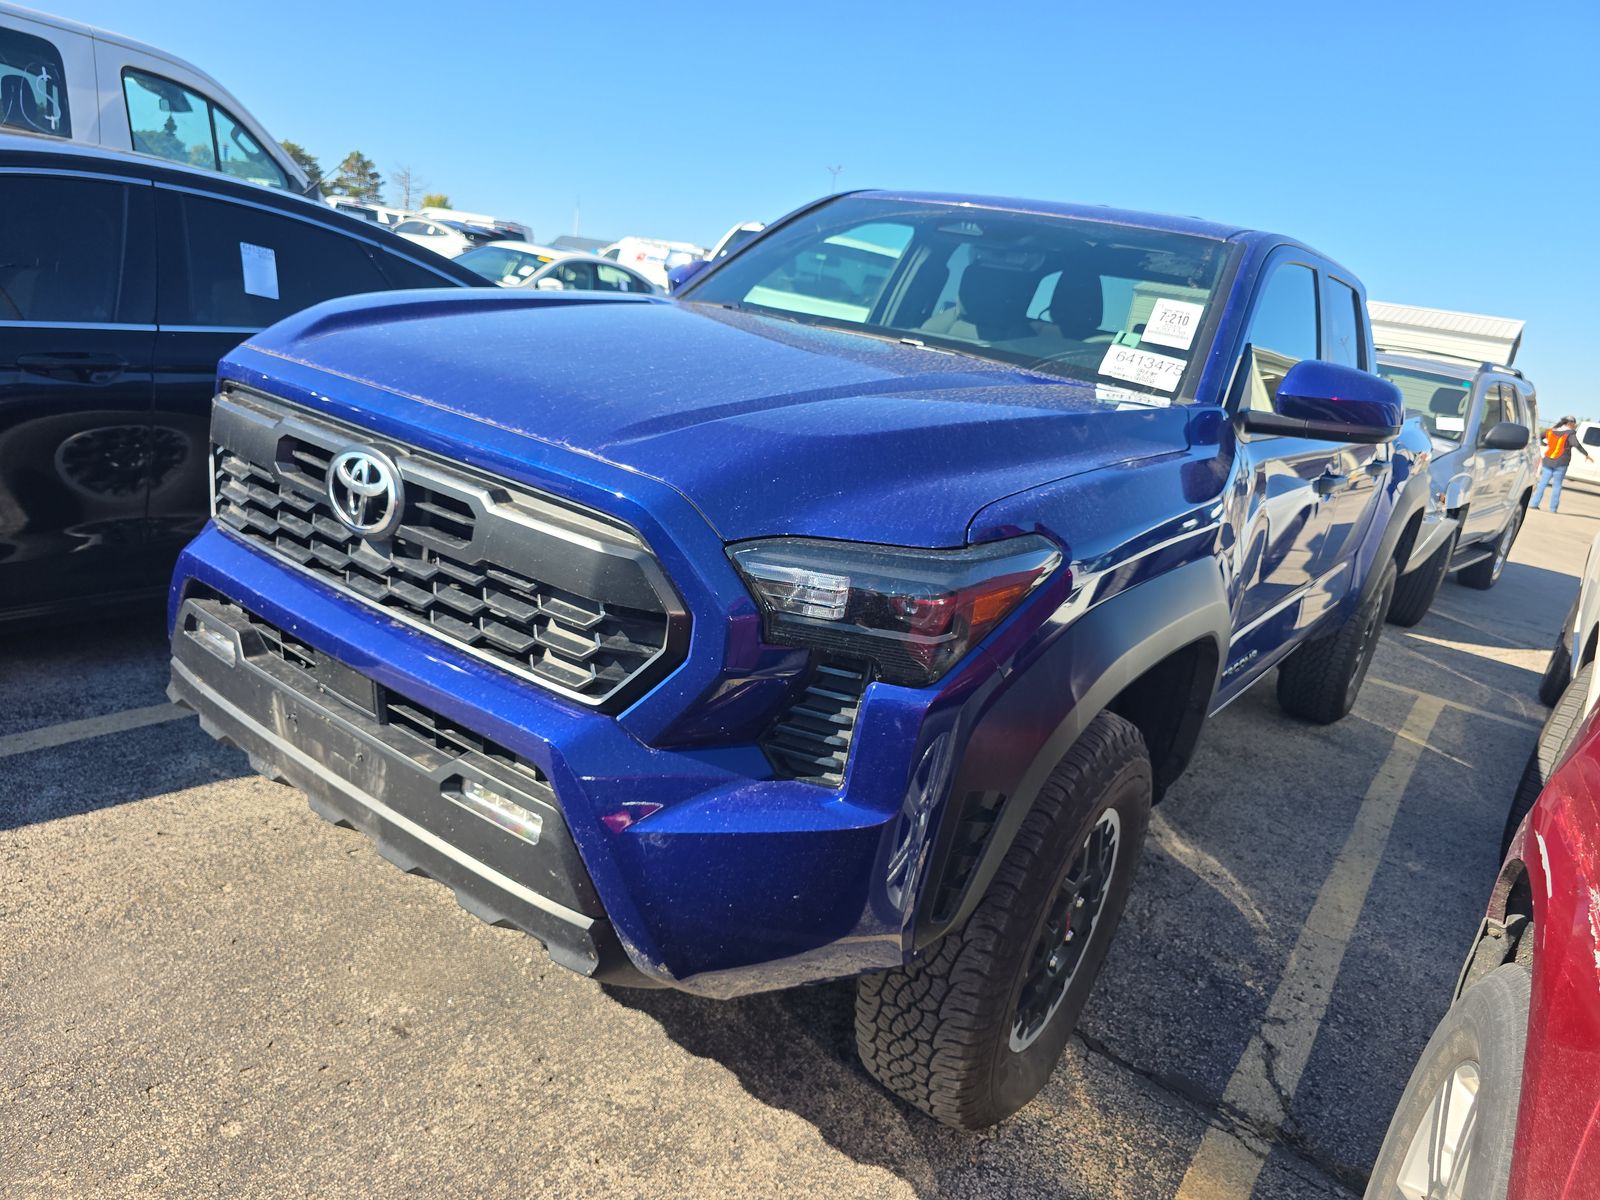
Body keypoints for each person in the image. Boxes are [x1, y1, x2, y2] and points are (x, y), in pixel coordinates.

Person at [1531, 416, 1593, 513]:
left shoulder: (1551, 431)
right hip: (1561, 462)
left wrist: (1544, 444)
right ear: (1570, 424)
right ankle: (1553, 509)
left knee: (1542, 483)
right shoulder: (1570, 433)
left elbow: (1537, 437)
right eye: (1574, 424)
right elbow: (1576, 444)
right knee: (1557, 485)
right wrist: (1586, 454)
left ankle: (1534, 504)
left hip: (1548, 460)